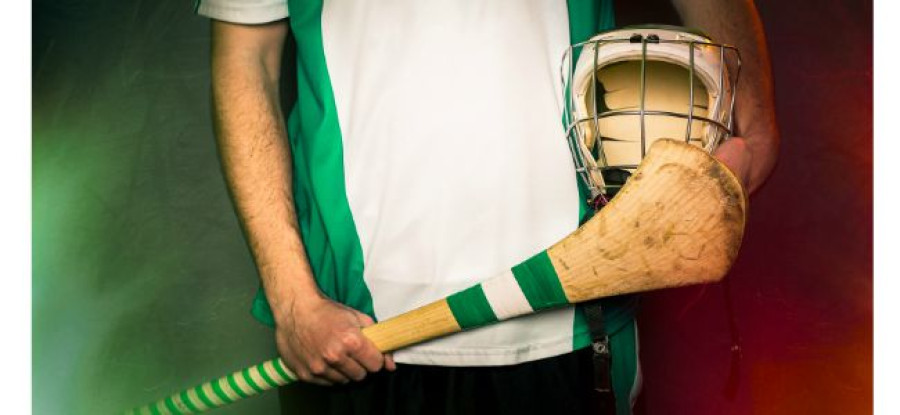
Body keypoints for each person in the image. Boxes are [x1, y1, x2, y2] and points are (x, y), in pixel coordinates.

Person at [196, 1, 778, 413]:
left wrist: (755, 138)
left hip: (573, 322)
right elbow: (248, 58)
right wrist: (295, 303)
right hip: (355, 336)